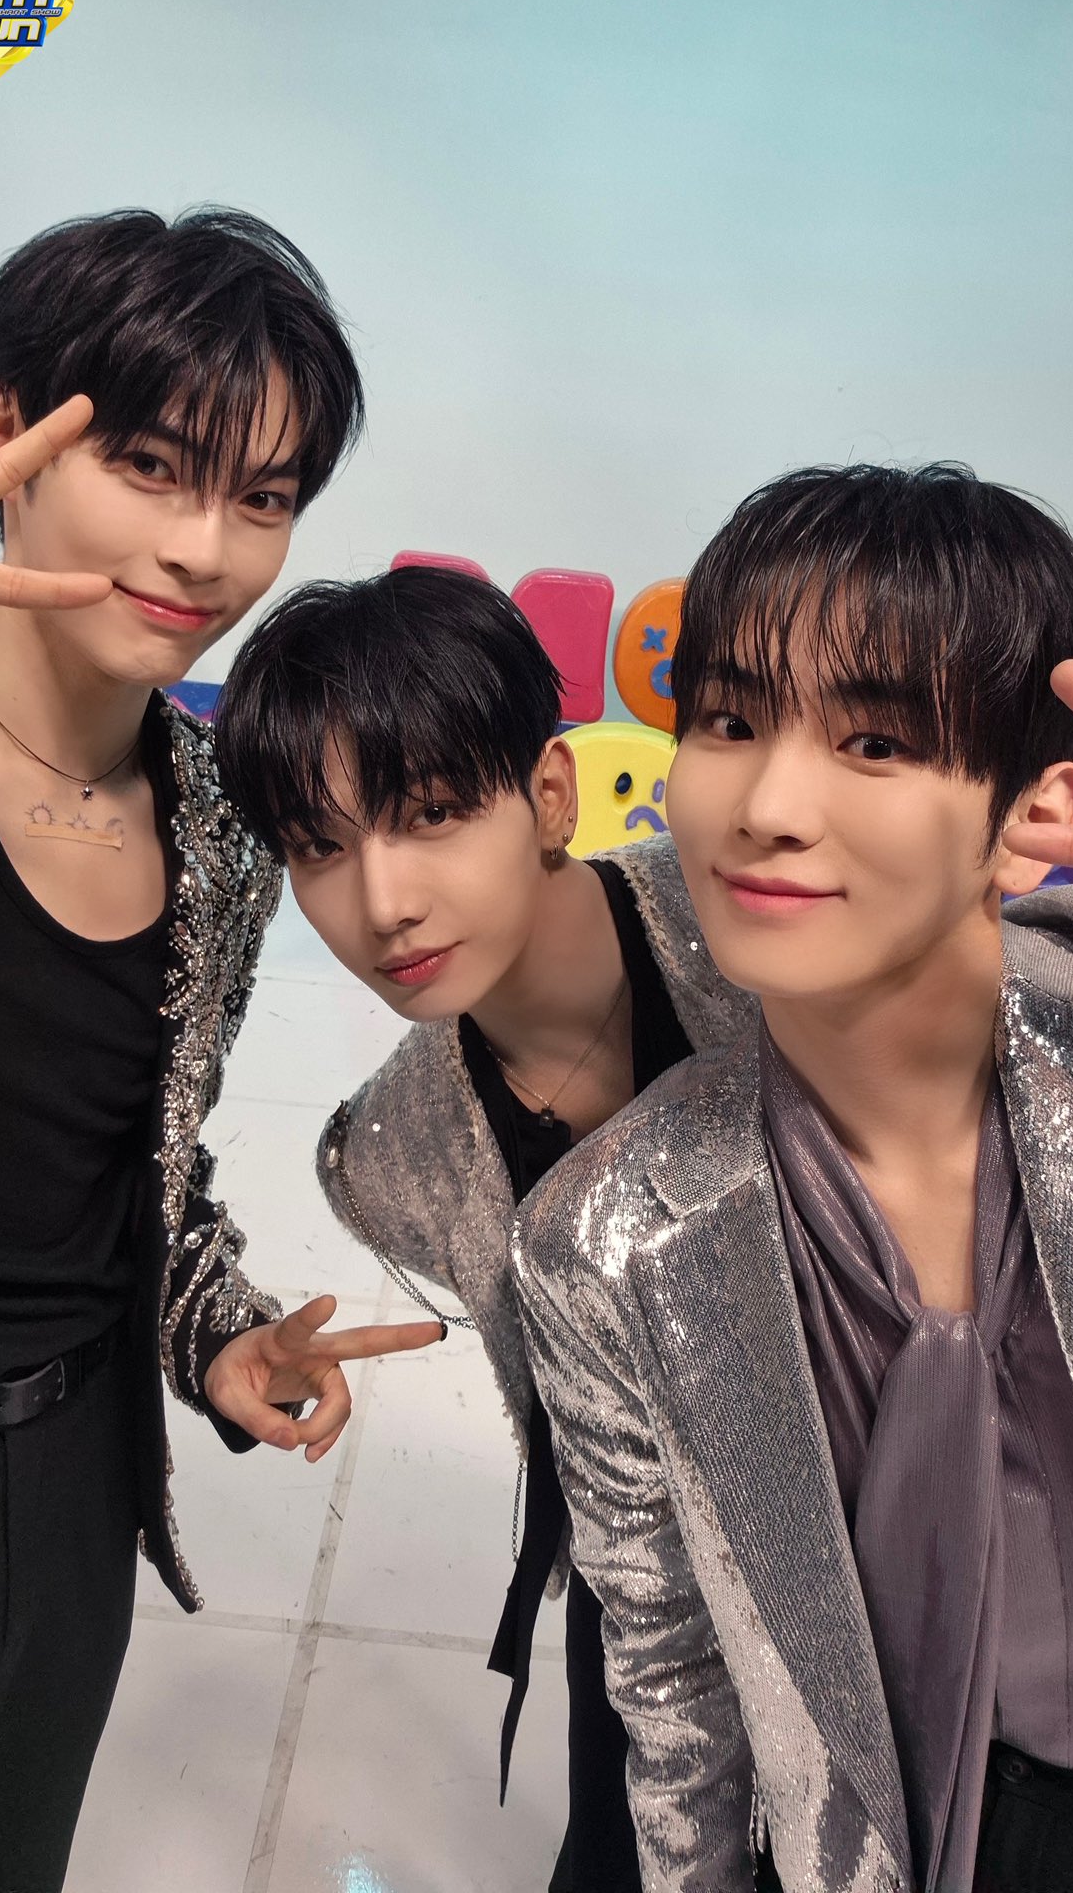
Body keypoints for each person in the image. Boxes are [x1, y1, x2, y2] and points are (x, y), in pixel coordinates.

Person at [511, 463, 1073, 1893]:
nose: (770, 805)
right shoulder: (605, 1239)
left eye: (877, 742)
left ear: (1029, 814)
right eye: (729, 721)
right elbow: (674, 1685)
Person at [0, 208, 441, 1893]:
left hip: (71, 1501)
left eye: (263, 497)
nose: (203, 548)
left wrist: (212, 1329)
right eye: (152, 466)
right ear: (0, 430)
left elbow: (126, 1159)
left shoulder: (221, 831)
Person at [213, 565, 759, 1892]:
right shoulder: (389, 1157)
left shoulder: (749, 940)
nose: (382, 902)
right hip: (637, 1605)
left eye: (434, 813)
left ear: (551, 795)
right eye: (319, 846)